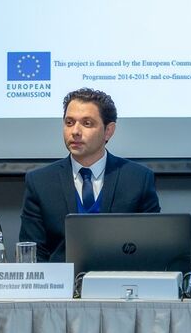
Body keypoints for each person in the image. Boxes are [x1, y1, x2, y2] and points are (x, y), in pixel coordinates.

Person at [19, 88, 160, 262]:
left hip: (120, 277)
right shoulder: (40, 182)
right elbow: (32, 254)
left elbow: (153, 248)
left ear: (108, 131)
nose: (75, 131)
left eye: (87, 123)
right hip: (60, 278)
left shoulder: (138, 179)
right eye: (69, 122)